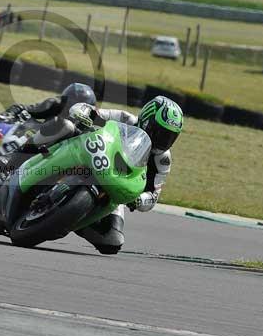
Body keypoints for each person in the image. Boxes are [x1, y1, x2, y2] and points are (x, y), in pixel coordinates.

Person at [67, 96, 183, 255]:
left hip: (113, 188)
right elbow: (86, 109)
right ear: (147, 121)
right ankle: (30, 150)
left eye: (170, 137)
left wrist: (137, 199)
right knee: (66, 127)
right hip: (89, 156)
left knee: (112, 241)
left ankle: (70, 220)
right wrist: (83, 114)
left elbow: (153, 196)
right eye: (161, 133)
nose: (164, 141)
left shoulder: (162, 160)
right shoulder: (125, 119)